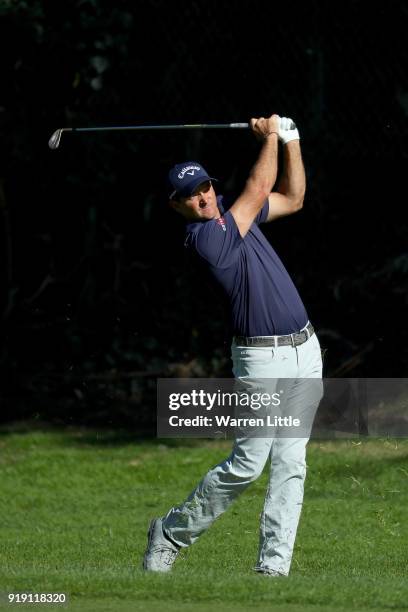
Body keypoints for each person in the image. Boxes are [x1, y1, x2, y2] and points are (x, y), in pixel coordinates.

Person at [143, 113, 323, 577]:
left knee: (291, 463)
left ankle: (272, 570)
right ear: (177, 205)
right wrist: (268, 138)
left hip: (306, 348)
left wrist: (291, 140)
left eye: (204, 188)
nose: (202, 198)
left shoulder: (230, 214)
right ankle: (171, 533)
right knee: (248, 464)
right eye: (190, 195)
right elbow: (260, 189)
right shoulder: (205, 239)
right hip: (260, 356)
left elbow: (294, 198)